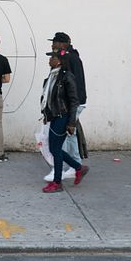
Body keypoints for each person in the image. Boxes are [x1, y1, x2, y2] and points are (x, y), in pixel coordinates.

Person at [41, 49, 89, 193]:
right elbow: (48, 98)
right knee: (53, 148)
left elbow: (74, 101)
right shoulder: (52, 76)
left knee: (55, 149)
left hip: (63, 116)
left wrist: (71, 123)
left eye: (52, 58)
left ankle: (57, 183)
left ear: (59, 61)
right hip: (55, 116)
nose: (49, 60)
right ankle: (79, 168)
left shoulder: (67, 77)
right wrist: (46, 114)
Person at [49, 32, 87, 159]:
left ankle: (75, 164)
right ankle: (72, 164)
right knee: (69, 133)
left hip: (73, 102)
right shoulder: (69, 56)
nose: (52, 46)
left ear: (62, 44)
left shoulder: (68, 57)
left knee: (69, 133)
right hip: (73, 101)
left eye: (54, 43)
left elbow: (68, 83)